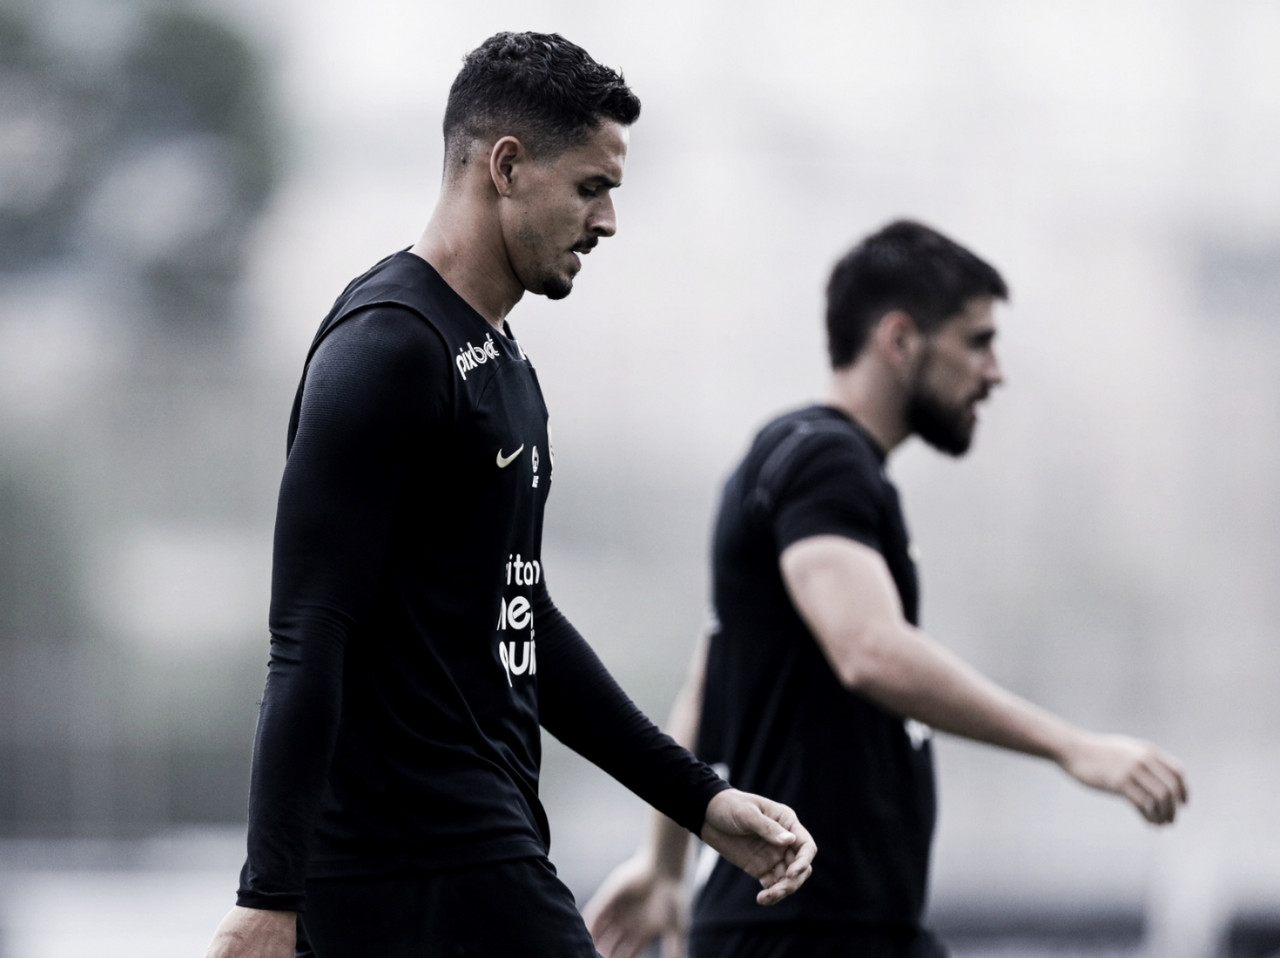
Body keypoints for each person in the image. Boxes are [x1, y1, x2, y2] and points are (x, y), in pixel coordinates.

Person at [202, 32, 815, 958]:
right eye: (591, 187)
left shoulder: (502, 361)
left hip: (476, 848)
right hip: (411, 863)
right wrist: (267, 897)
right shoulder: (386, 350)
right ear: (507, 166)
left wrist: (699, 799)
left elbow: (519, 613)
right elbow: (308, 634)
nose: (607, 220)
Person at [583, 219, 1190, 958]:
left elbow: (709, 687)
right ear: (900, 340)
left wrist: (664, 866)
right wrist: (1073, 747)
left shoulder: (789, 460)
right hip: (806, 932)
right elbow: (868, 649)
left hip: (837, 928)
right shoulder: (826, 463)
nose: (994, 371)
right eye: (977, 341)